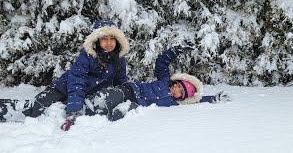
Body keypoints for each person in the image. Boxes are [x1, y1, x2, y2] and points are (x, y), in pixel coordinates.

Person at [60, 46, 230, 131]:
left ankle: (109, 114)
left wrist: (214, 98)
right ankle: (84, 109)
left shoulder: (174, 104)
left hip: (136, 104)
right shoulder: (165, 80)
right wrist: (175, 51)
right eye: (177, 85)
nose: (176, 89)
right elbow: (162, 62)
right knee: (110, 97)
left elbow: (198, 100)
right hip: (130, 91)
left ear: (182, 97)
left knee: (127, 111)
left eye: (180, 91)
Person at [0, 20, 130, 122]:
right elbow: (77, 80)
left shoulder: (119, 60)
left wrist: (125, 97)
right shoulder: (87, 56)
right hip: (61, 88)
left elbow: (121, 82)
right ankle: (7, 110)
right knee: (36, 108)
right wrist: (74, 107)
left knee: (53, 113)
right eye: (104, 39)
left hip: (85, 96)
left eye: (112, 38)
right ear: (96, 41)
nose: (109, 43)